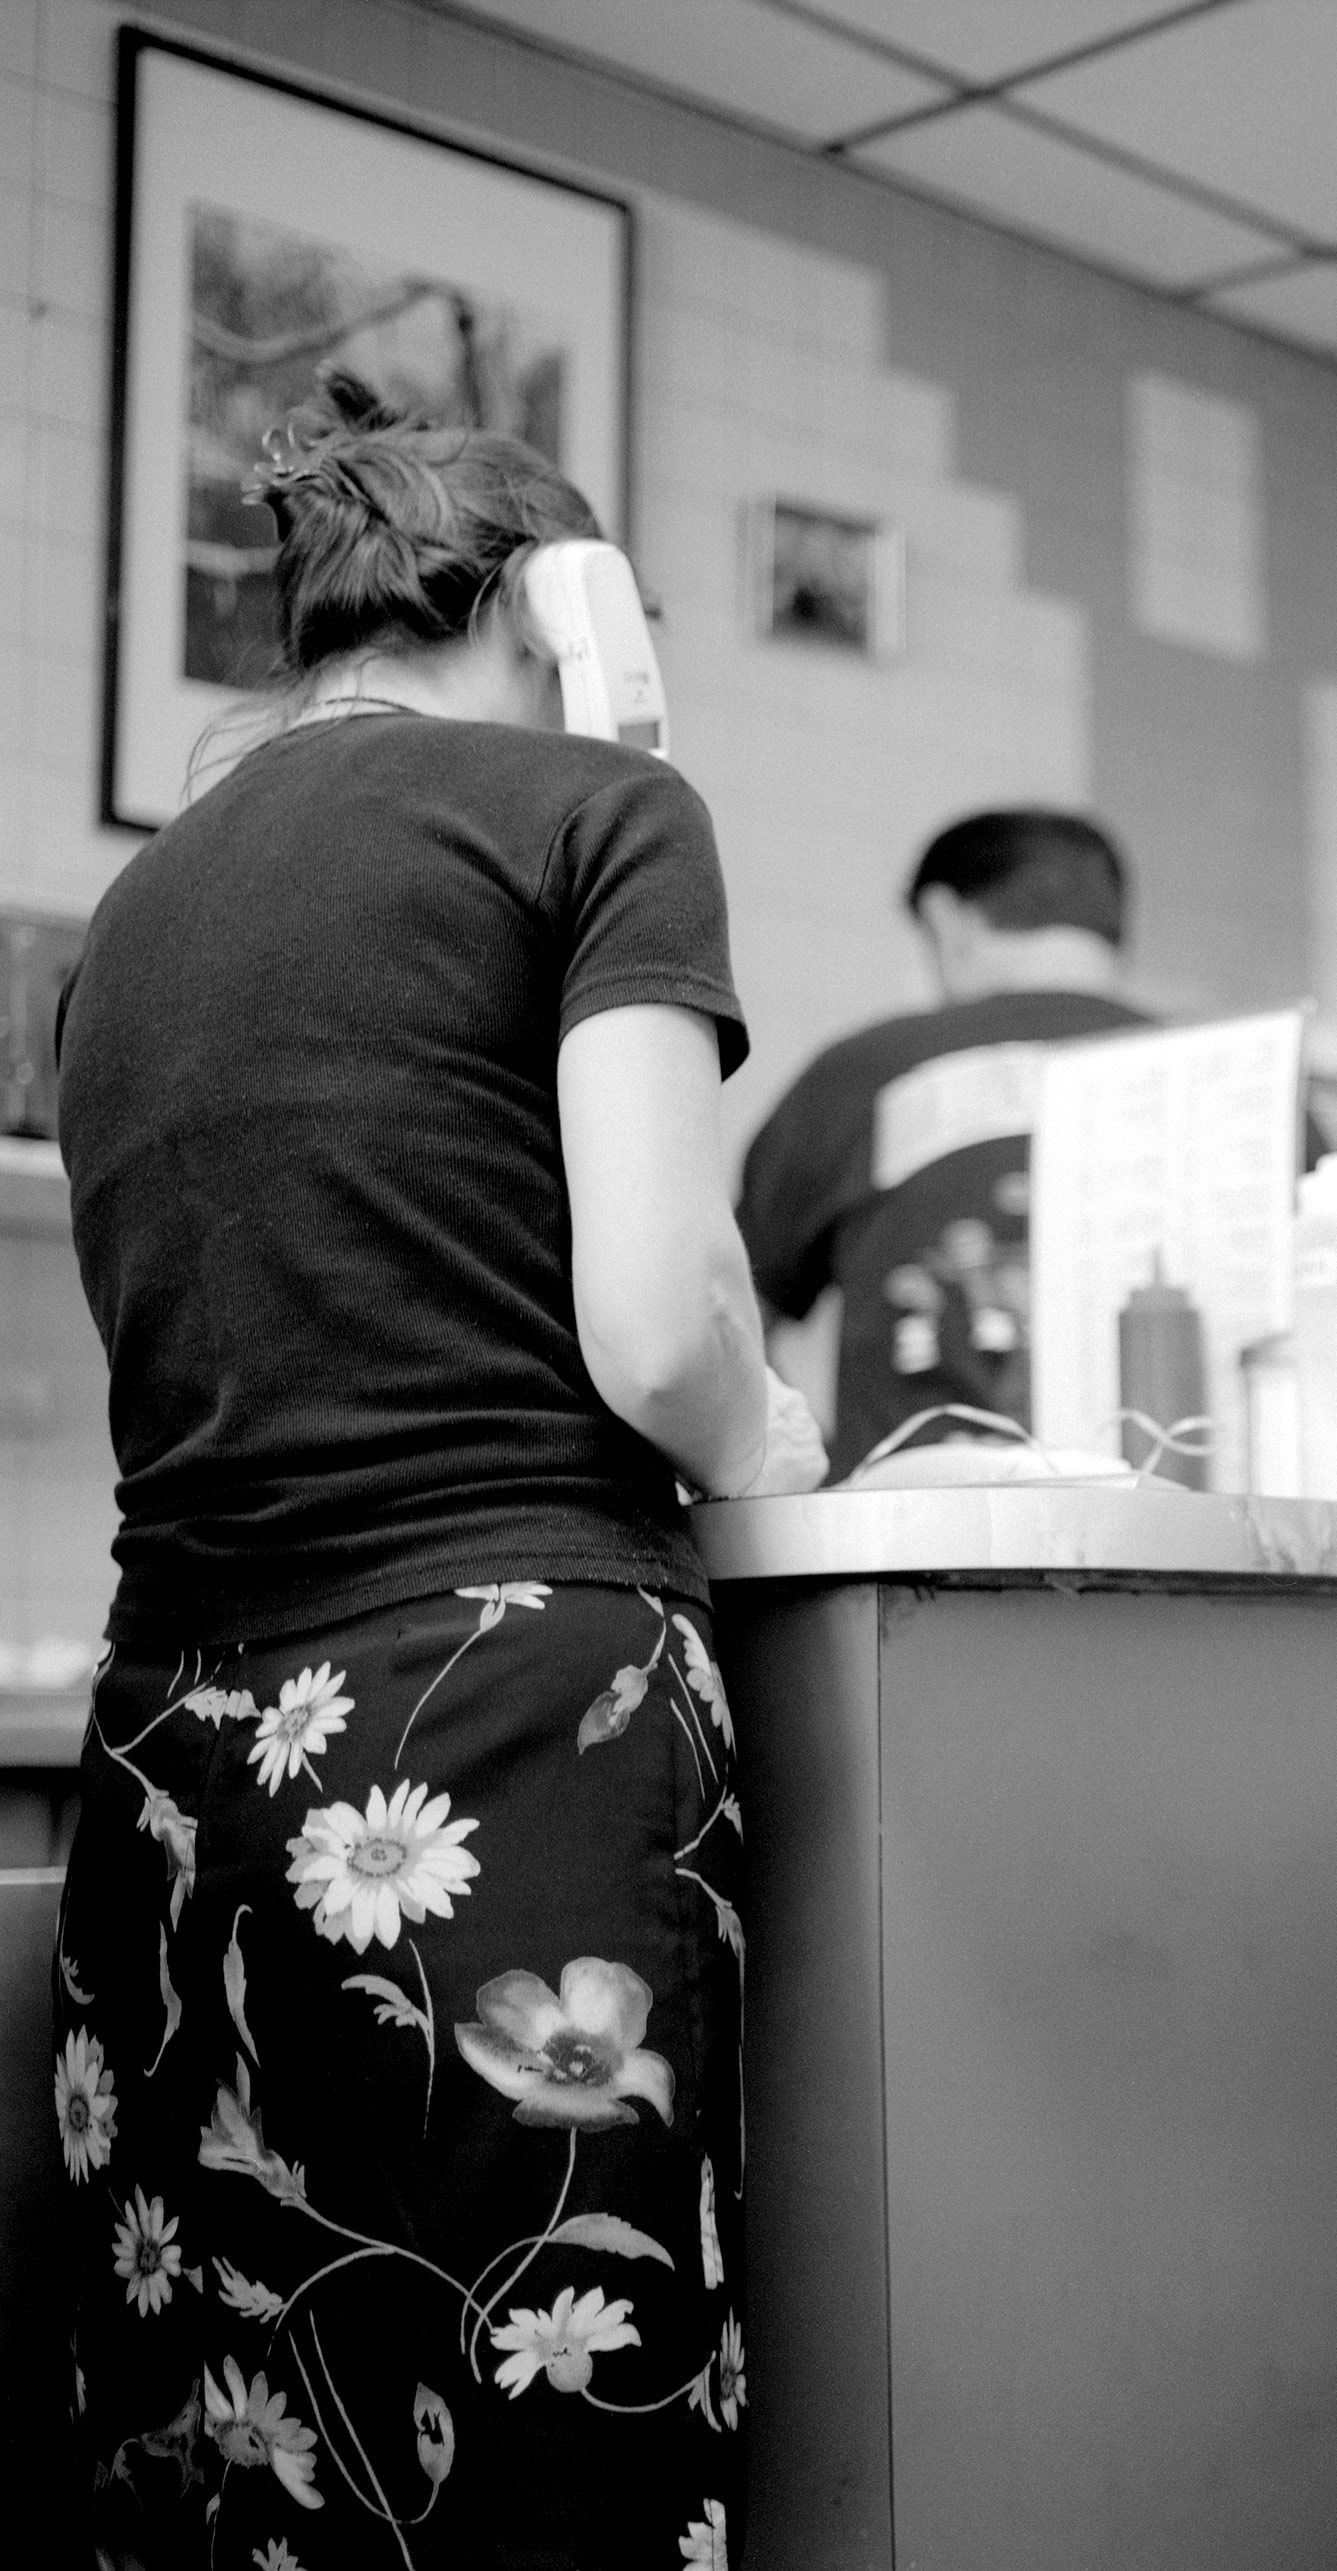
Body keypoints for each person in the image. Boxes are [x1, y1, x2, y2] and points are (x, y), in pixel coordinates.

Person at [50, 373, 825, 2568]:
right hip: (498, 1717)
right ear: (571, 601)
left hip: (179, 1754)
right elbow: (663, 1326)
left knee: (235, 2433)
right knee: (544, 2433)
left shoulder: (123, 926)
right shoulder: (595, 809)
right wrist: (773, 1437)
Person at [737, 809, 1148, 1475]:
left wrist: (805, 1470)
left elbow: (728, 1324)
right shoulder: (1246, 1078)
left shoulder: (869, 1072)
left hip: (917, 1549)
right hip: (1189, 1541)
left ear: (945, 920)